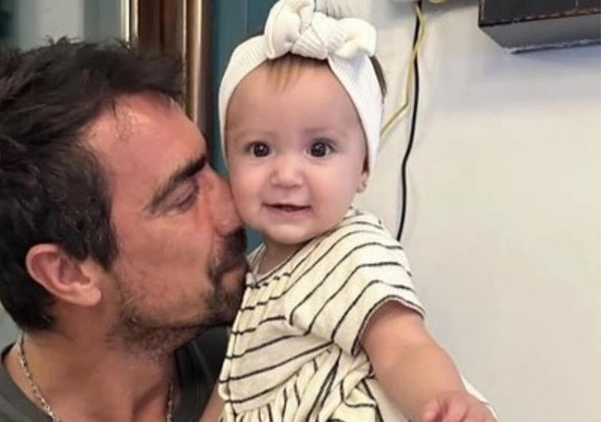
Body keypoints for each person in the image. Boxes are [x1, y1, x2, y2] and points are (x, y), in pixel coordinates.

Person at [0, 38, 248, 422]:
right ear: (67, 273)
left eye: (210, 168)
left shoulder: (263, 354)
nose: (236, 212)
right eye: (183, 197)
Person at [206, 1, 498, 421]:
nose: (286, 175)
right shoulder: (254, 271)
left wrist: (444, 398)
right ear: (228, 161)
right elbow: (234, 387)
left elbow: (403, 347)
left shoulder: (353, 250)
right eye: (260, 149)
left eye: (319, 148)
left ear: (362, 168)